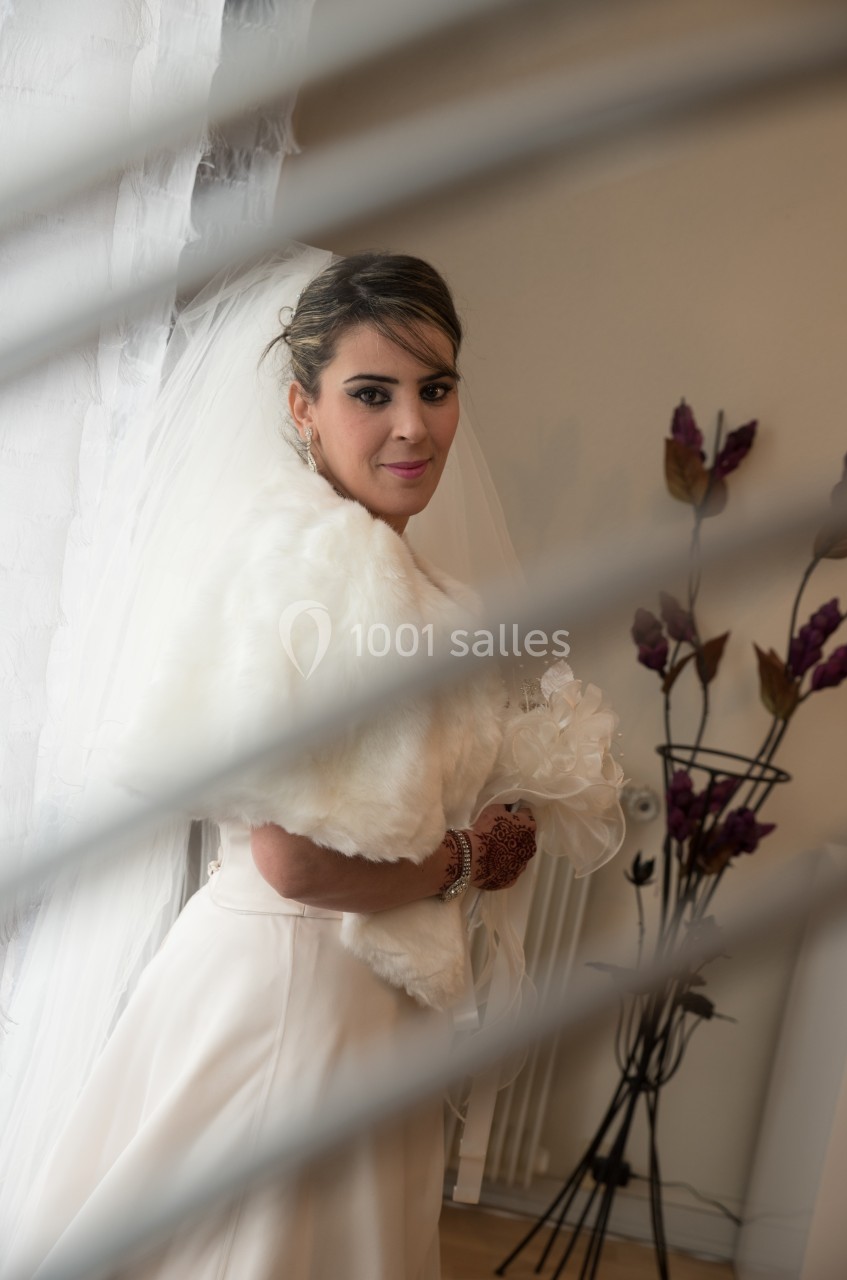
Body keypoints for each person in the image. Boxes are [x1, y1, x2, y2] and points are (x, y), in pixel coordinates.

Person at [2, 248, 541, 1279]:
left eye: (436, 389)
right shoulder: (325, 567)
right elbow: (294, 861)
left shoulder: (381, 567)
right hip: (298, 992)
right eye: (370, 394)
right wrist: (466, 860)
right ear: (301, 407)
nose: (413, 426)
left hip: (351, 1000)